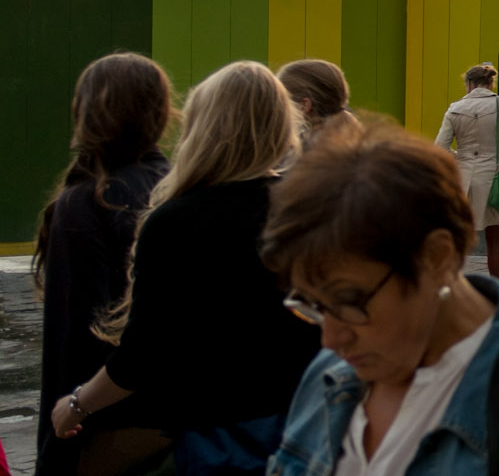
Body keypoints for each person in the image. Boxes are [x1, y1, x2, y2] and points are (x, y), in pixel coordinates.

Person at [260, 124, 499, 476]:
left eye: (349, 301)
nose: (330, 338)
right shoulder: (330, 375)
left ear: (437, 258)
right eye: (314, 306)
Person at [50, 61, 321, 476]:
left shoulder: (177, 220)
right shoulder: (313, 210)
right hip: (308, 432)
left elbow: (141, 358)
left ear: (203, 127)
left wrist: (75, 405)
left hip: (217, 442)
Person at [33, 54, 173, 476]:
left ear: (86, 113)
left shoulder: (87, 204)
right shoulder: (180, 186)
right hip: (178, 425)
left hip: (105, 430)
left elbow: (77, 338)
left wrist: (63, 430)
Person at [434, 63, 499, 280]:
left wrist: (461, 158)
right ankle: (496, 290)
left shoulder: (454, 108)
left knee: (460, 237)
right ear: (490, 83)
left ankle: (454, 287)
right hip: (495, 177)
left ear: (468, 84)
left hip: (463, 180)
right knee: (496, 239)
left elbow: (440, 147)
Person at [276, 58, 360, 149]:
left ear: (303, 106)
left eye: (282, 102)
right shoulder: (358, 145)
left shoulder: (295, 157)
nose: (276, 111)